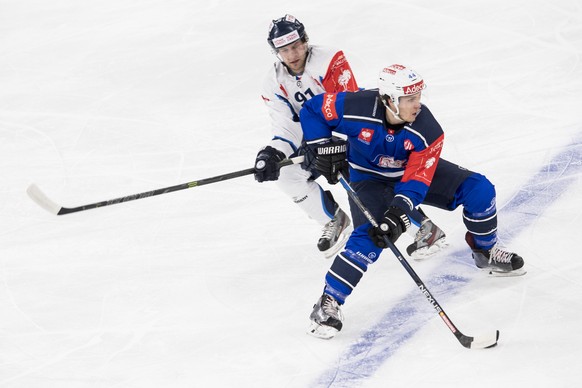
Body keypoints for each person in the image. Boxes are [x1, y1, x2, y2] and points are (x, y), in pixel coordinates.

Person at [299, 64, 526, 339]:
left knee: (480, 190)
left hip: (407, 176)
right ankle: (328, 303)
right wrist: (320, 144)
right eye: (409, 99)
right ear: (388, 100)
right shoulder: (355, 106)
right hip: (367, 180)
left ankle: (485, 251)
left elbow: (417, 179)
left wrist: (399, 212)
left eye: (418, 96)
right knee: (370, 237)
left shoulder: (428, 129)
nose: (417, 104)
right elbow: (312, 109)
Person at [253, 15, 446, 259]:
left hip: (352, 131)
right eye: (285, 50)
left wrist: (329, 146)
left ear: (305, 41)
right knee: (287, 175)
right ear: (276, 51)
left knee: (364, 181)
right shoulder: (272, 82)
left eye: (296, 46)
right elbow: (285, 125)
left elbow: (347, 109)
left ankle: (424, 229)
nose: (292, 54)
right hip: (314, 139)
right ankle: (334, 219)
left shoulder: (330, 59)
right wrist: (273, 152)